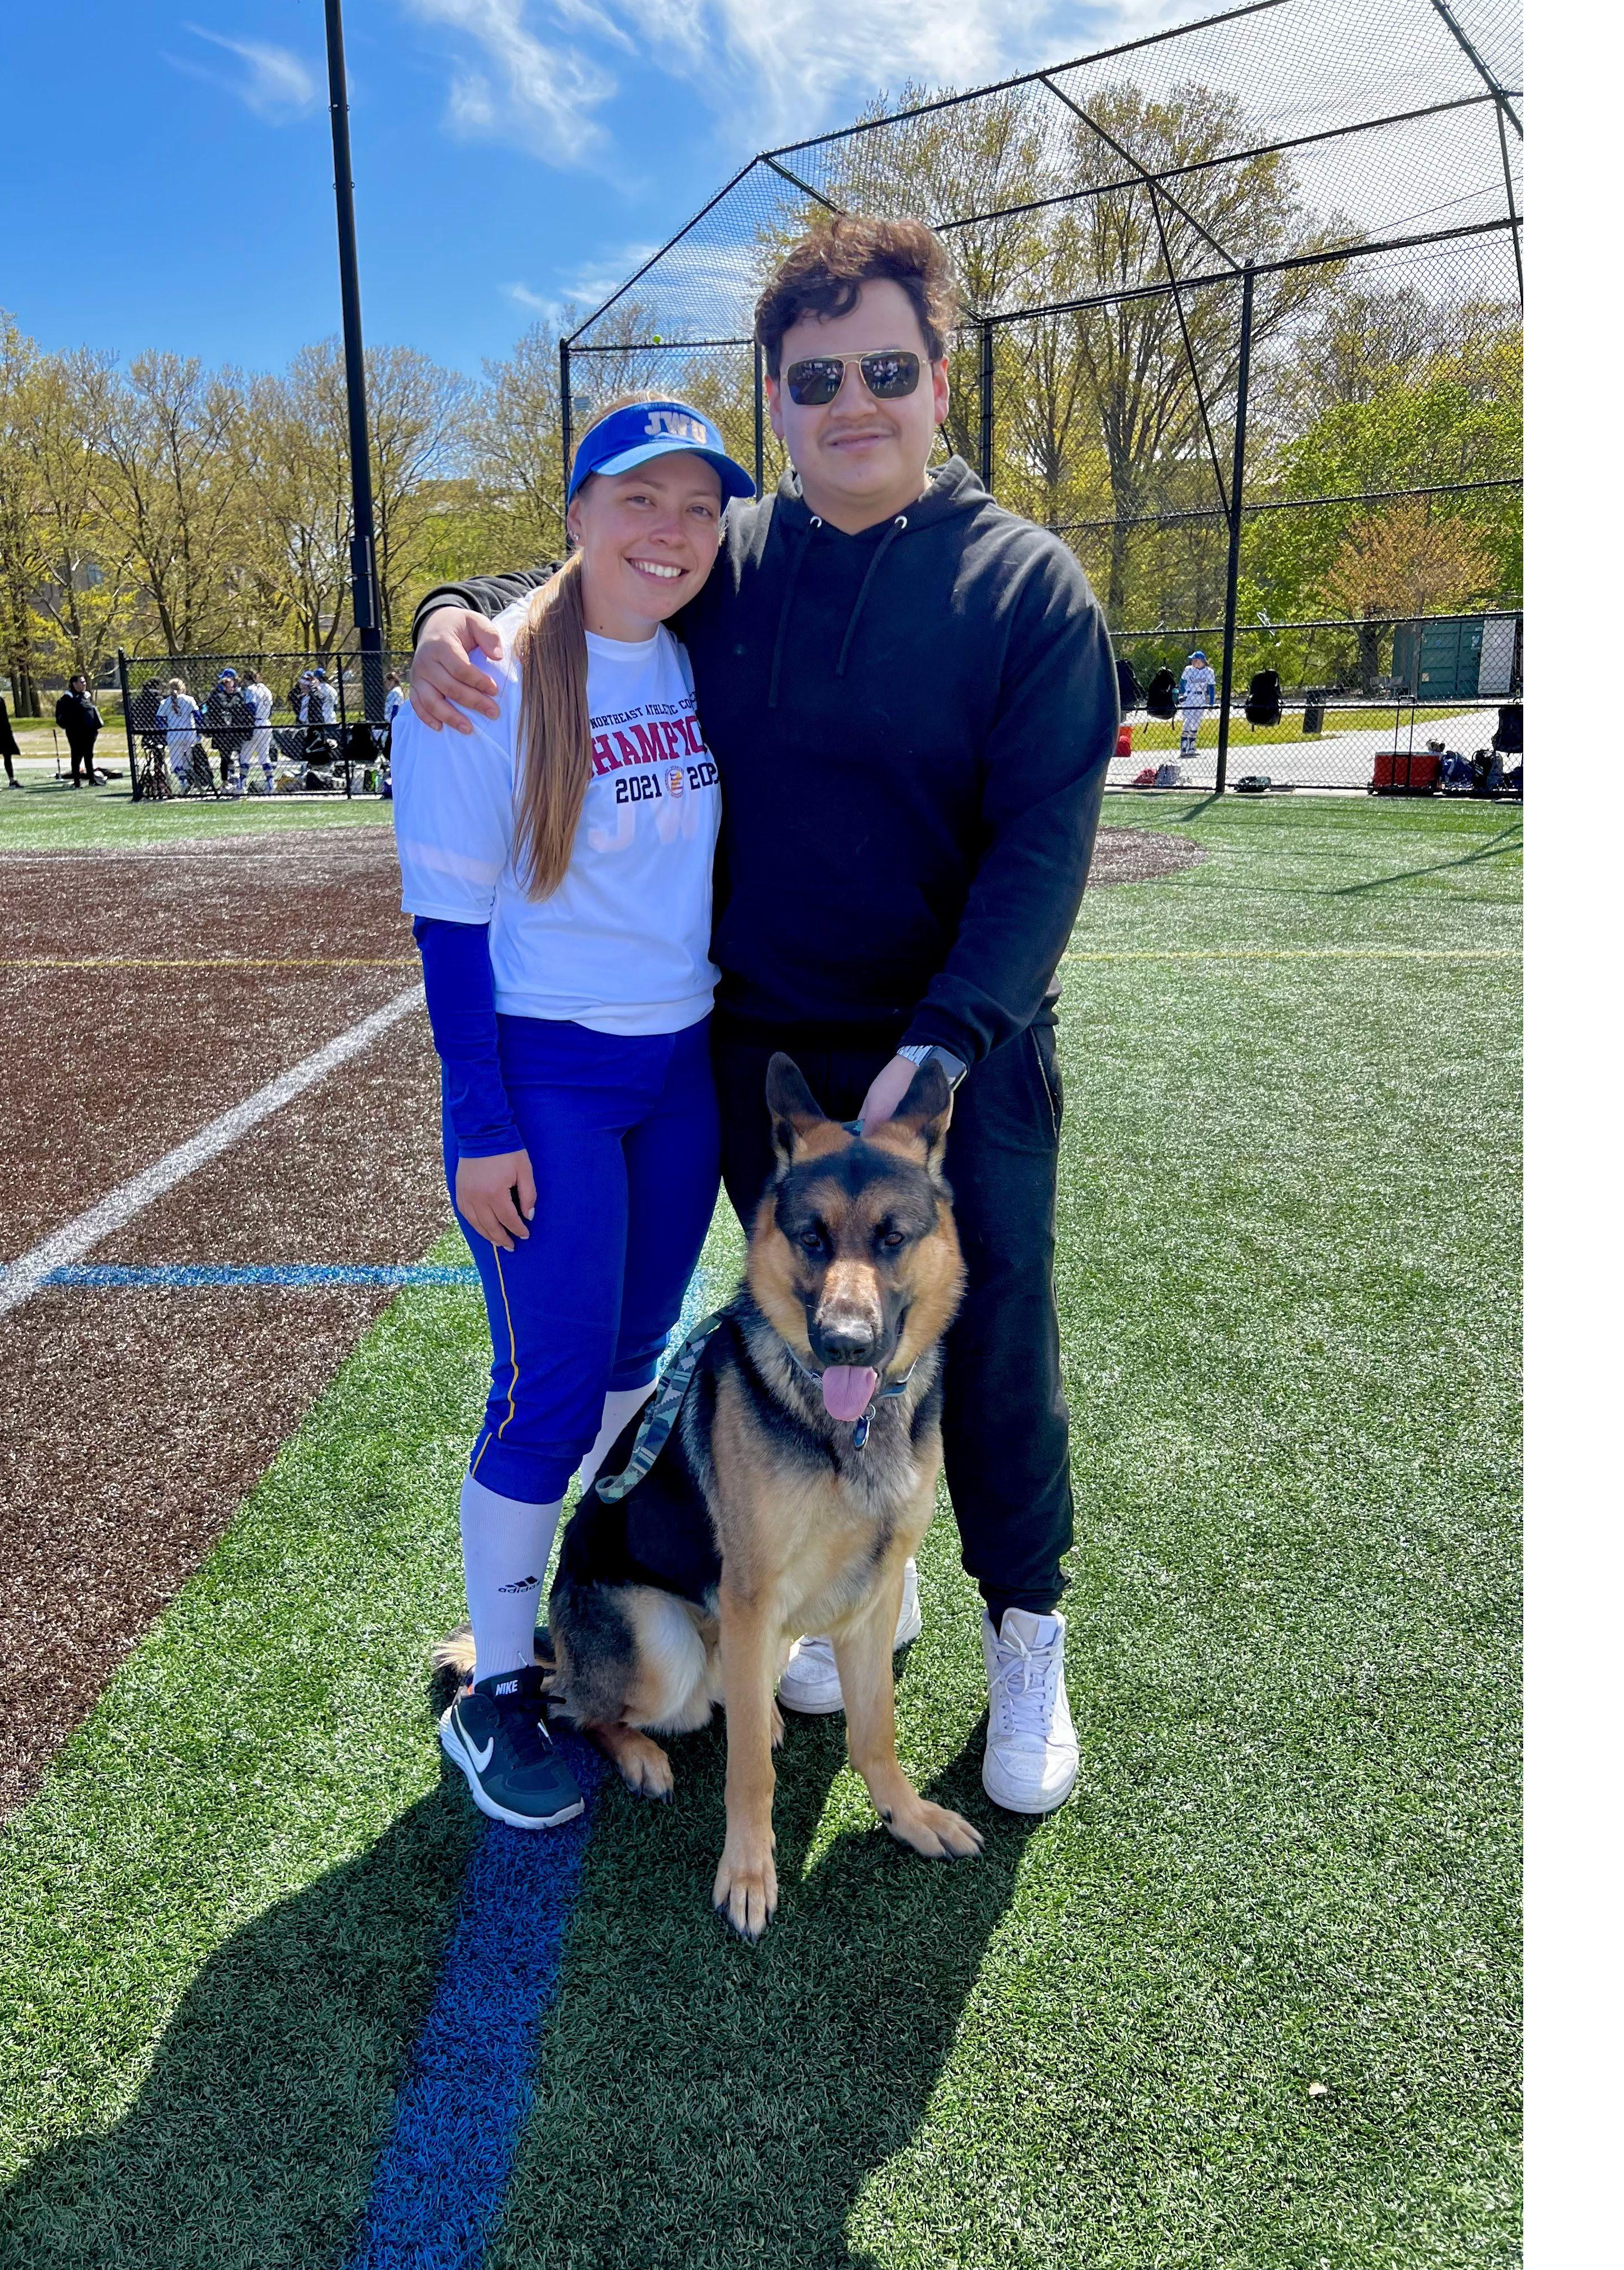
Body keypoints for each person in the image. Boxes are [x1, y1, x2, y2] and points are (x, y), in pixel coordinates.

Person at [412, 215, 1117, 1817]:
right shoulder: (735, 564)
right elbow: (600, 575)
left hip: (959, 1065)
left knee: (988, 1349)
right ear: (778, 403)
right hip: (769, 1064)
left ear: (941, 382)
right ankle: (868, 1591)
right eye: (815, 381)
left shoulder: (1028, 587)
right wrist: (453, 610)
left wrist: (937, 1051)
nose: (852, 402)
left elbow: (1040, 853)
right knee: (804, 1348)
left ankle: (1025, 1628)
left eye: (885, 369)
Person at [400, 396, 755, 1831]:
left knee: (631, 1362)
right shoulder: (486, 680)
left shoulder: (704, 652)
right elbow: (448, 930)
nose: (669, 534)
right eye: (637, 502)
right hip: (546, 1079)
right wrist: (478, 1120)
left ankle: (557, 1626)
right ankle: (497, 1687)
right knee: (547, 1389)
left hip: (680, 1068)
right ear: (576, 513)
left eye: (696, 506)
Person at [205, 667, 250, 793]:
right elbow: (209, 708)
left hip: (236, 731)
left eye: (228, 681)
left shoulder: (240, 695)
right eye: (223, 682)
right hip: (222, 732)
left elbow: (243, 712)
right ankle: (227, 782)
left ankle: (242, 783)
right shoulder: (217, 696)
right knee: (224, 758)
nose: (225, 684)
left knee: (241, 756)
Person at [55, 674, 102, 787]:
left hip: (90, 732)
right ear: (74, 684)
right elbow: (60, 717)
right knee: (77, 756)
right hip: (76, 733)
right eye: (82, 682)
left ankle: (92, 779)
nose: (84, 684)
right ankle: (77, 781)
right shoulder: (68, 697)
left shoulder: (87, 696)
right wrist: (71, 727)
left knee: (89, 755)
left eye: (85, 682)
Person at [157, 677, 200, 789]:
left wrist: (165, 730)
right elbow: (198, 717)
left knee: (176, 763)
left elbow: (159, 720)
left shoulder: (164, 702)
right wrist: (200, 732)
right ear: (183, 688)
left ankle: (184, 782)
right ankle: (193, 782)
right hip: (190, 735)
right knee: (190, 761)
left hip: (174, 735)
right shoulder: (190, 700)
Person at [1176, 649, 1216, 767]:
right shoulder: (1189, 670)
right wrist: (1181, 694)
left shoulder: (1209, 672)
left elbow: (1211, 688)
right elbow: (1182, 683)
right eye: (1193, 660)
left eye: (1195, 659)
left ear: (1201, 661)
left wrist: (1211, 703)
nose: (1193, 661)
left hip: (1201, 698)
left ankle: (1192, 747)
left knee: (1196, 723)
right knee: (1188, 721)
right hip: (1189, 697)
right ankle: (1184, 747)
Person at [239, 668, 276, 794]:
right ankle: (271, 784)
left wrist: (246, 720)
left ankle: (242, 785)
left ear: (247, 679)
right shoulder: (266, 689)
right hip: (266, 723)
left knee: (245, 755)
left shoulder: (251, 690)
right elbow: (271, 709)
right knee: (264, 756)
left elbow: (251, 707)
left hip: (256, 724)